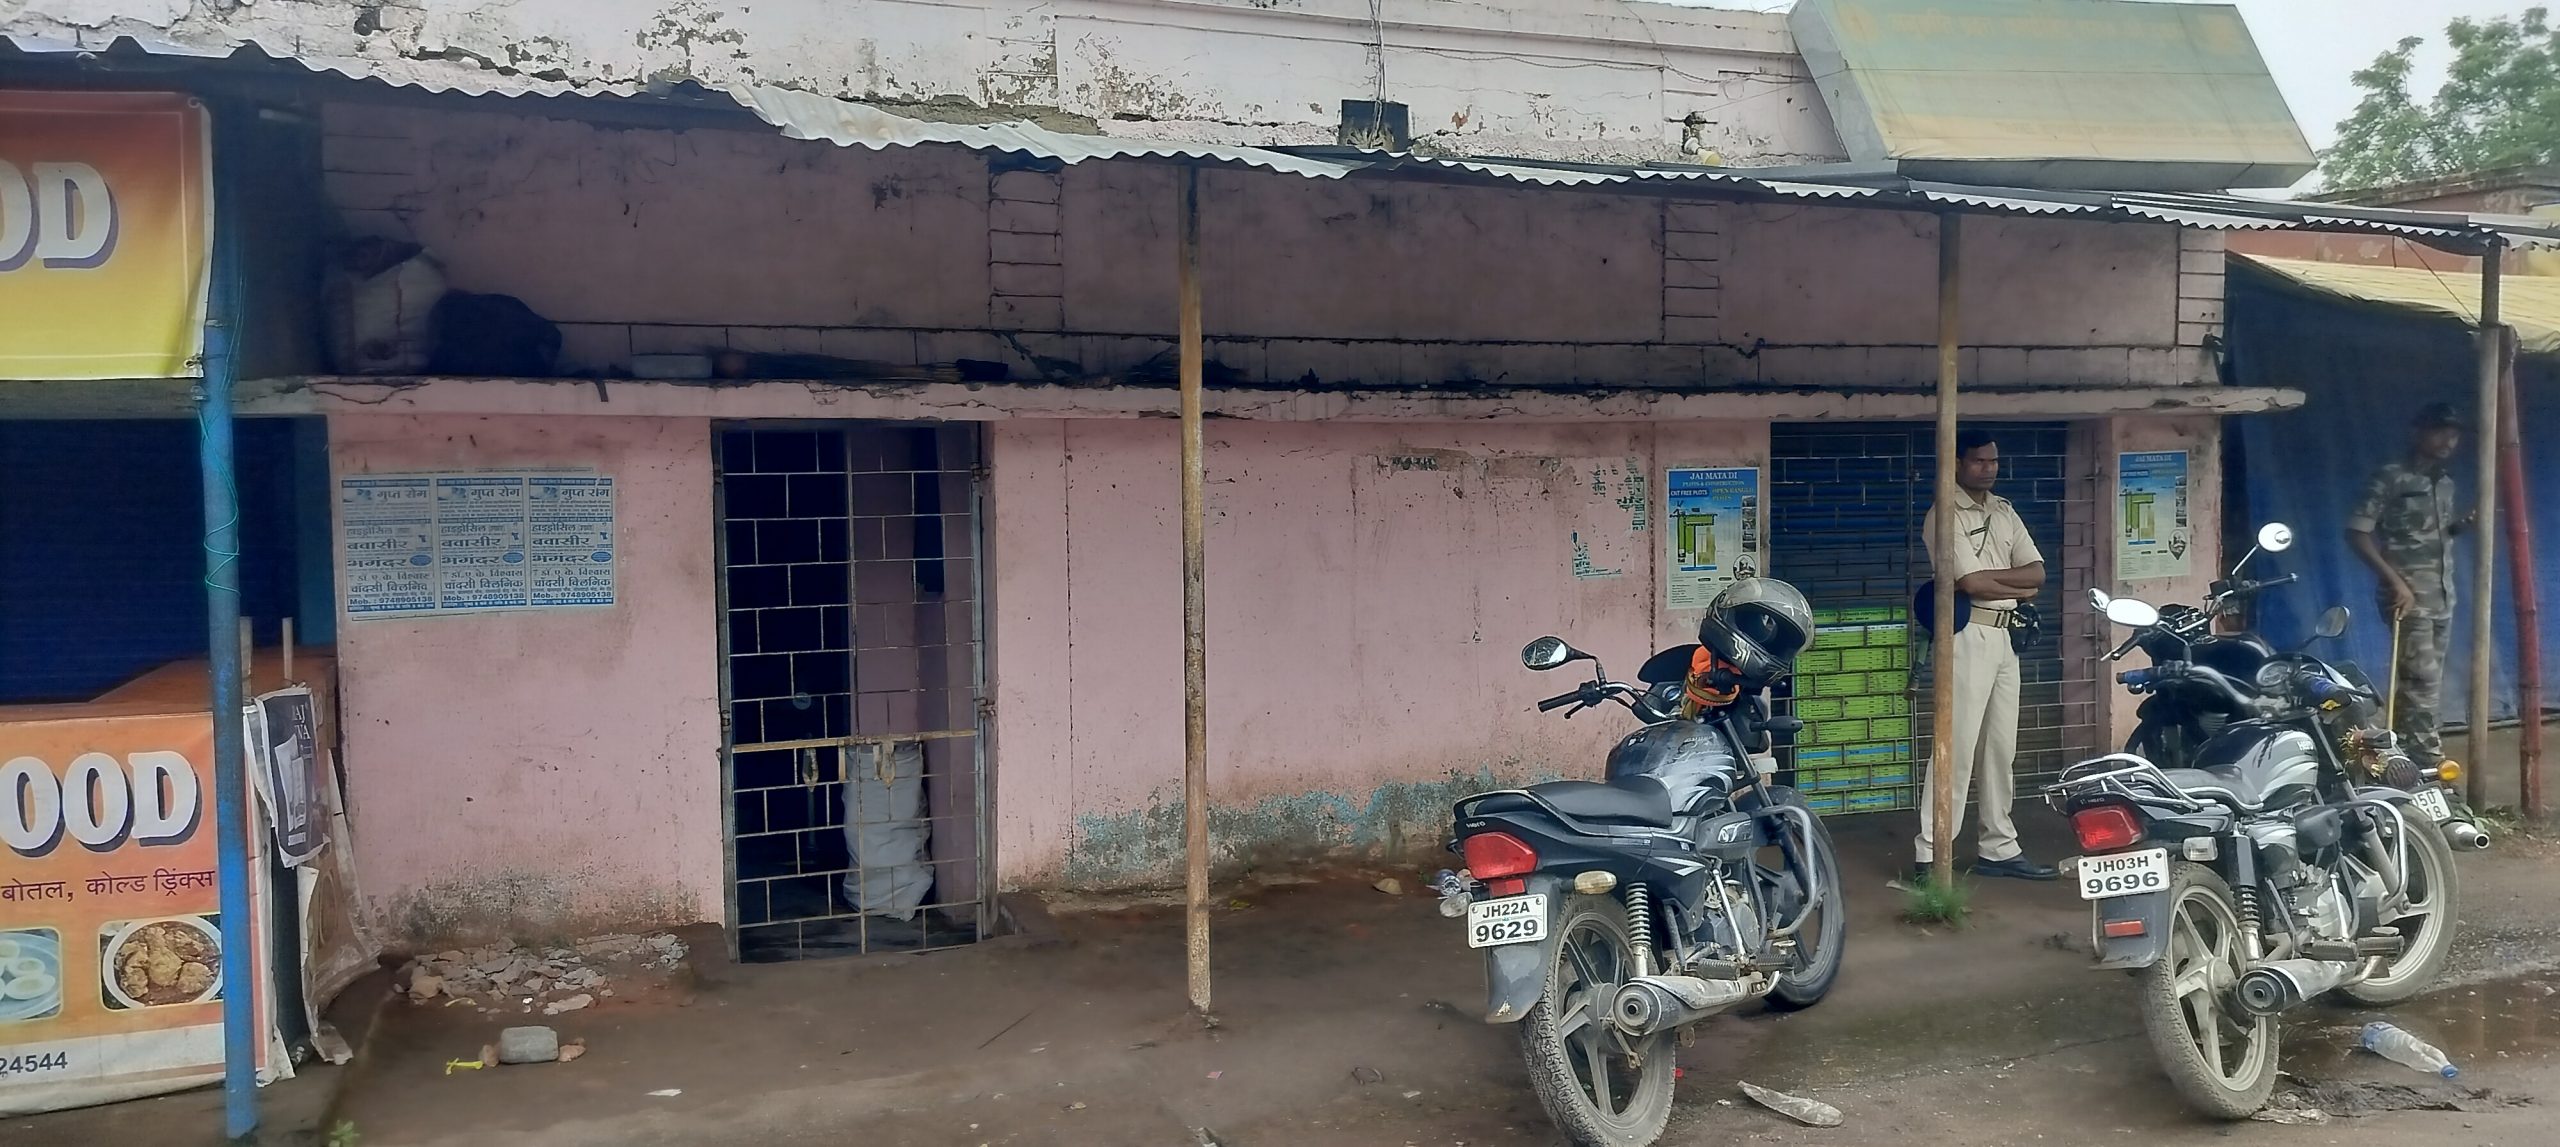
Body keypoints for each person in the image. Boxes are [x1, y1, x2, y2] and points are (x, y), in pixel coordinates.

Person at [1914, 429, 2057, 884]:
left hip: (2005, 637)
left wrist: (2003, 583)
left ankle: (1999, 848)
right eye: (1978, 461)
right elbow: (1969, 584)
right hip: (1967, 633)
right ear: (1957, 463)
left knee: (2000, 749)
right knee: (1954, 747)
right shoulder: (1944, 513)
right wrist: (2012, 583)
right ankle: (1931, 852)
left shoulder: (2004, 510)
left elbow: (2038, 574)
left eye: (1993, 461)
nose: (1989, 468)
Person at [2347, 402, 2477, 773]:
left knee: (2420, 682)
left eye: (2454, 434)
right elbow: (2356, 532)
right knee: (2422, 680)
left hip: (2441, 595)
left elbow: (2432, 534)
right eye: (2440, 432)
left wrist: (2461, 525)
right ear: (2417, 432)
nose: (2448, 441)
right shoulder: (2391, 477)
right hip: (2405, 597)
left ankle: (2401, 760)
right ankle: (2431, 765)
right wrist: (2395, 582)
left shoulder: (2445, 482)